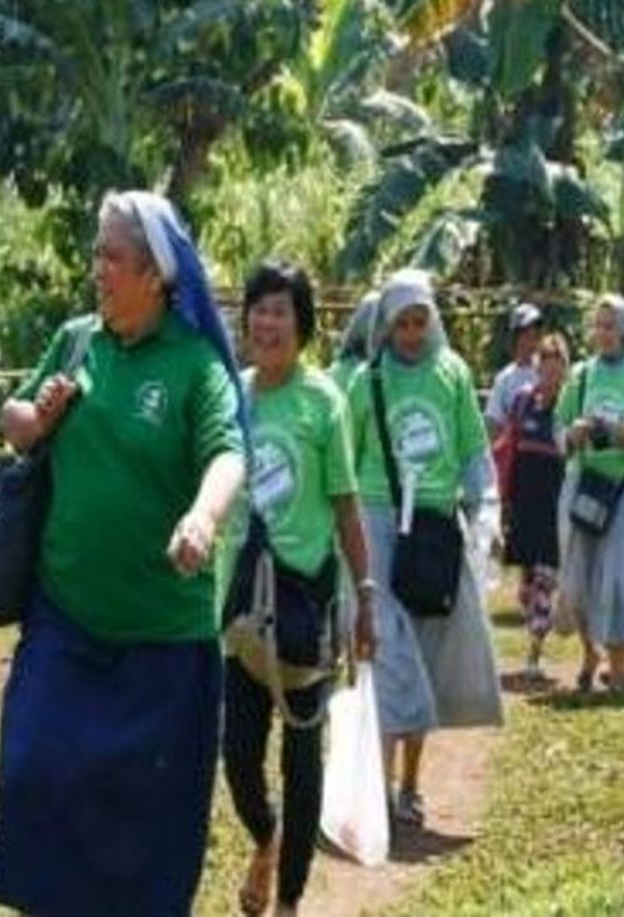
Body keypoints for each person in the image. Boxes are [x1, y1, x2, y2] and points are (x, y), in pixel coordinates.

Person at [0, 191, 247, 916]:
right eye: (97, 253)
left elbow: (229, 453)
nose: (98, 269)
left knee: (145, 823)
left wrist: (201, 516)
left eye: (113, 257)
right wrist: (37, 416)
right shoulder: (75, 341)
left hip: (163, 645)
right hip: (66, 620)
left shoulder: (194, 366)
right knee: (35, 773)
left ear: (156, 275)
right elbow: (14, 417)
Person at [221, 262, 376, 917]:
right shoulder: (231, 394)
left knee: (303, 758)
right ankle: (269, 836)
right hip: (237, 607)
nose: (267, 321)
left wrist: (365, 594)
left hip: (303, 600)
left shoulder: (324, 401)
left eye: (281, 310)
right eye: (258, 308)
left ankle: (288, 900)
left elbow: (345, 506)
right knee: (238, 758)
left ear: (302, 324)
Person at [349, 269, 502, 829]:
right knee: (392, 654)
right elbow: (346, 458)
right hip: (378, 520)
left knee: (431, 654)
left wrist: (485, 508)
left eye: (421, 321)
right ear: (386, 326)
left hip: (436, 528)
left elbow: (471, 450)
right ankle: (382, 787)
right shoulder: (366, 383)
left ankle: (411, 783)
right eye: (402, 324)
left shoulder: (452, 373)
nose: (412, 333)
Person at [555, 295, 624, 696]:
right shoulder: (581, 375)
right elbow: (558, 428)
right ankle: (590, 651)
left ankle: (620, 672)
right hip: (583, 485)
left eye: (609, 325)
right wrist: (573, 434)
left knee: (623, 579)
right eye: (597, 325)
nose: (602, 333)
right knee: (578, 579)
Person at [500, 333, 571, 680]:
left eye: (558, 372)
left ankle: (534, 652)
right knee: (526, 587)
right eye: (546, 371)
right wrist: (504, 499)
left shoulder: (571, 409)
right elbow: (510, 451)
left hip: (554, 509)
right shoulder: (521, 403)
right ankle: (535, 633)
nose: (551, 379)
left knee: (545, 581)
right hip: (524, 506)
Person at [484, 303, 544, 439]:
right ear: (515, 338)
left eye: (535, 336)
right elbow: (493, 422)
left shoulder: (546, 371)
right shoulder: (504, 379)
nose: (531, 342)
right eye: (526, 336)